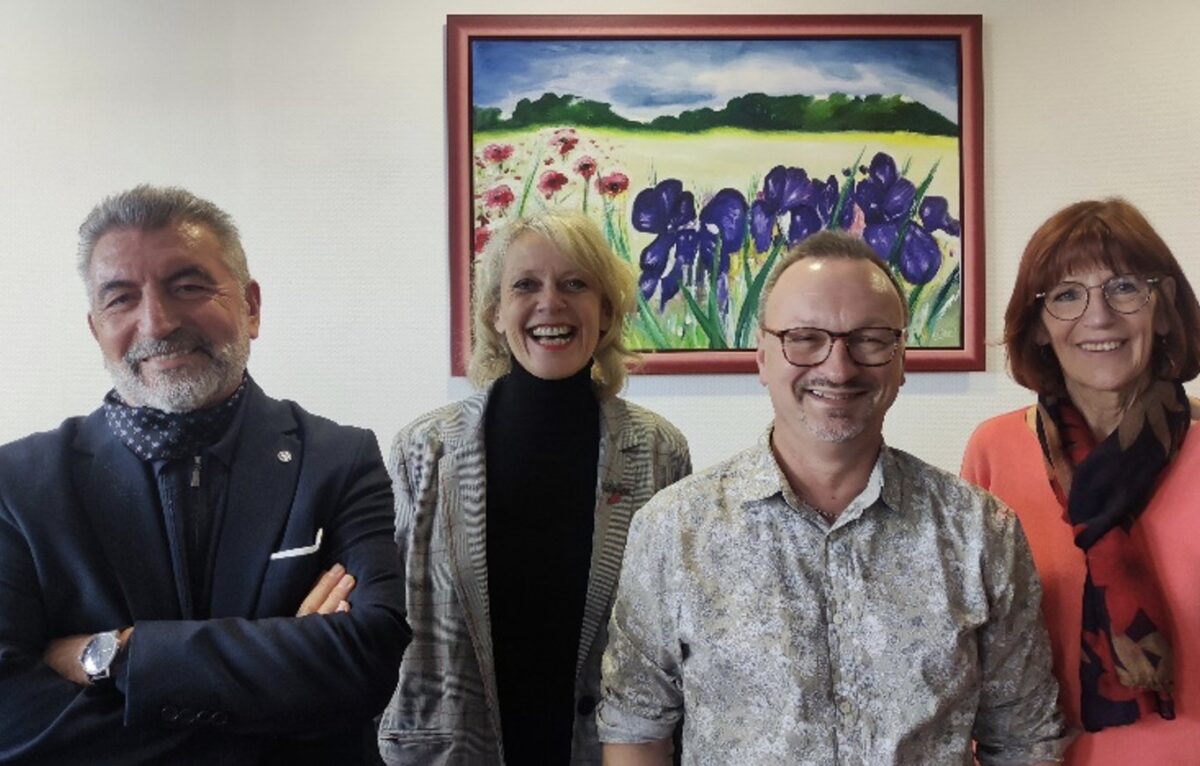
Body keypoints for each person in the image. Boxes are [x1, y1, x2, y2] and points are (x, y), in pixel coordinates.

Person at [599, 230, 1068, 765]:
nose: (838, 368)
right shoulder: (674, 530)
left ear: (900, 360)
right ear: (762, 358)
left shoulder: (980, 532)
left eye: (869, 338)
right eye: (804, 337)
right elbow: (636, 725)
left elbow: (1025, 740)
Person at [0, 185, 409, 765]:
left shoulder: (340, 458)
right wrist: (278, 683)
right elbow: (10, 719)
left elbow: (368, 664)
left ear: (252, 306)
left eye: (187, 286)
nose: (158, 322)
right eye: (120, 298)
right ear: (96, 329)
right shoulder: (16, 484)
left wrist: (115, 655)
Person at [376, 211, 690, 765]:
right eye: (526, 285)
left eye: (575, 284)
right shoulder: (422, 450)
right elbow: (384, 618)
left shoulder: (661, 452)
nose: (551, 303)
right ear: (495, 313)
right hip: (454, 750)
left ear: (606, 312)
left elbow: (680, 633)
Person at [962, 198, 1200, 762]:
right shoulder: (994, 451)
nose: (1099, 317)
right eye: (1067, 295)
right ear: (1039, 327)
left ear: (1163, 310)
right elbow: (972, 647)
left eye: (1124, 288)